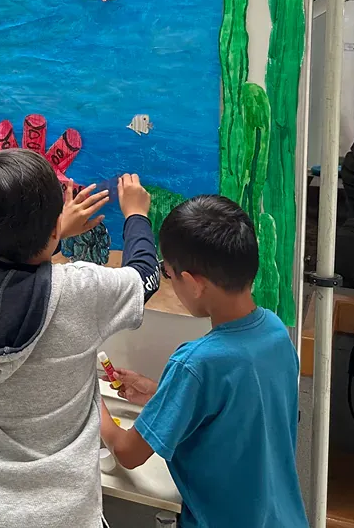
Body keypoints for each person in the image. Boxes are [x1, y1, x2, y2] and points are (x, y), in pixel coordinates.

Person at [0, 154, 160, 528]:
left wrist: (54, 233)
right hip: (62, 514)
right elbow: (145, 276)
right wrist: (136, 214)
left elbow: (11, 261)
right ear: (53, 225)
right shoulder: (81, 290)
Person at [99, 195, 308, 528]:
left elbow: (128, 453)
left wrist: (95, 409)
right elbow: (233, 413)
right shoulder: (275, 332)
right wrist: (159, 393)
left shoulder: (196, 364)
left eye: (169, 275)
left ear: (195, 284)